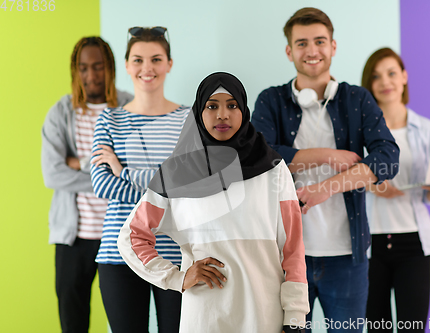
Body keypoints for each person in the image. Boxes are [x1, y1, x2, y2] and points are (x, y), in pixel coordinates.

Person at [117, 72, 309, 333]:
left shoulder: (273, 169)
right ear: (199, 112)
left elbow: (293, 249)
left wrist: (295, 317)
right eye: (212, 106)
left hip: (263, 316)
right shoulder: (175, 174)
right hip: (203, 319)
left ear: (243, 110)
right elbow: (131, 236)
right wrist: (178, 278)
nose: (222, 115)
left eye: (232, 105)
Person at [251, 8, 400, 333]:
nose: (312, 50)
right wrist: (325, 155)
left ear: (333, 46)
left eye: (319, 41)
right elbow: (255, 157)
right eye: (302, 43)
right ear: (289, 51)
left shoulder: (357, 99)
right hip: (283, 256)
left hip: (347, 257)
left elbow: (388, 158)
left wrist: (325, 188)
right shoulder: (271, 101)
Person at [90, 27, 189, 333]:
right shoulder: (110, 119)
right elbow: (101, 185)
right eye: (138, 60)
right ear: (127, 65)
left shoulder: (188, 119)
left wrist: (124, 172)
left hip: (175, 254)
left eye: (156, 59)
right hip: (119, 255)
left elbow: (189, 186)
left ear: (169, 64)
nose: (147, 68)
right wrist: (163, 187)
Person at [361, 47, 430, 332]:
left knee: (412, 328)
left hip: (414, 245)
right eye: (377, 76)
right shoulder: (359, 133)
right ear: (369, 84)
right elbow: (343, 177)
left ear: (404, 77)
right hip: (370, 246)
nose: (385, 82)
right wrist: (370, 183)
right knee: (376, 328)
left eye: (392, 73)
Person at [41, 36, 133, 333]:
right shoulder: (61, 112)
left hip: (121, 235)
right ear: (74, 71)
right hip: (74, 238)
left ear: (110, 67)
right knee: (72, 323)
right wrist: (103, 174)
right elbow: (52, 174)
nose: (91, 76)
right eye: (83, 68)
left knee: (126, 322)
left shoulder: (131, 106)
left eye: (97, 67)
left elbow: (140, 169)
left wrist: (77, 161)